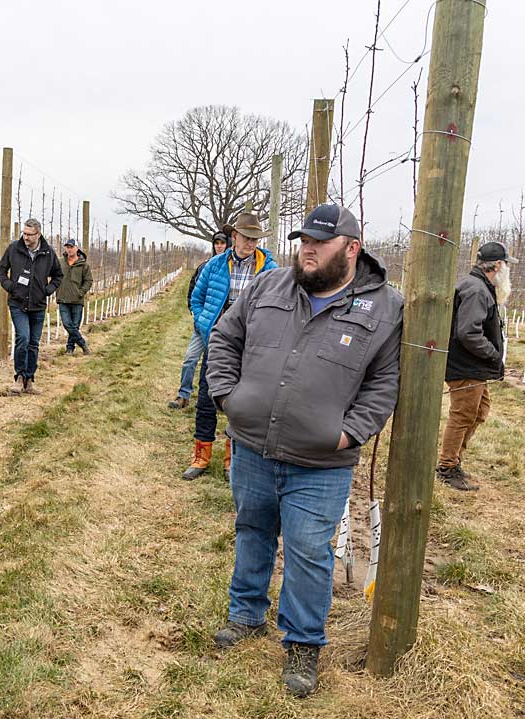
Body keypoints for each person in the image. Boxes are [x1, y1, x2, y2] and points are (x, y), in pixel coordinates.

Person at [206, 203, 403, 698]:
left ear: (352, 249)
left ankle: (302, 643)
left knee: (309, 552)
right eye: (303, 240)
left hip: (320, 462)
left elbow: (384, 384)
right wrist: (228, 396)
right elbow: (226, 337)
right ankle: (246, 614)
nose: (307, 249)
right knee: (251, 529)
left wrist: (347, 433)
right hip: (252, 445)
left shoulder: (384, 308)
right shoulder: (271, 285)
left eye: (319, 242)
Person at [183, 213, 276, 480]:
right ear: (234, 236)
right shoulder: (214, 265)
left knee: (242, 403)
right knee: (206, 398)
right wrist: (205, 326)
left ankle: (231, 460)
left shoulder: (269, 269)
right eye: (246, 238)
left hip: (249, 344)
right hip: (217, 341)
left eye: (255, 239)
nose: (251, 243)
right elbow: (197, 299)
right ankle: (200, 456)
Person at [436, 241, 516, 490]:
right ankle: (447, 467)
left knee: (479, 411)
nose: (508, 271)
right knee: (463, 415)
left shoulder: (480, 285)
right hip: (466, 366)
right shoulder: (476, 289)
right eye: (507, 265)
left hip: (473, 367)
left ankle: (454, 460)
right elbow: (468, 333)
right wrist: (493, 355)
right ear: (499, 265)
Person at [0, 218, 63, 394]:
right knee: (23, 338)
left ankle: (29, 380)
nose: (25, 237)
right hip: (18, 303)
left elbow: (58, 275)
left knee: (33, 343)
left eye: (29, 234)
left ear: (38, 234)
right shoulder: (14, 249)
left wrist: (48, 290)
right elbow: (0, 270)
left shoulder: (48, 253)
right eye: (24, 233)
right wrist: (10, 287)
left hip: (38, 305)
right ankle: (18, 377)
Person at [168, 230, 229, 409]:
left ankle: (215, 400)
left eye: (222, 243)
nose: (219, 246)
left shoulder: (233, 270)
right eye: (216, 243)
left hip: (223, 328)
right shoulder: (205, 266)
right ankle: (183, 395)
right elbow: (194, 292)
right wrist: (197, 314)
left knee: (218, 365)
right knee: (190, 359)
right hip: (203, 325)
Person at [56, 237, 93, 354]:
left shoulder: (84, 265)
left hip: (77, 300)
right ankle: (83, 344)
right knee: (67, 324)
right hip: (63, 299)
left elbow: (88, 281)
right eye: (67, 247)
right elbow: (54, 276)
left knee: (75, 326)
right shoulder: (60, 262)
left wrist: (80, 292)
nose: (69, 249)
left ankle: (69, 349)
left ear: (77, 248)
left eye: (71, 247)